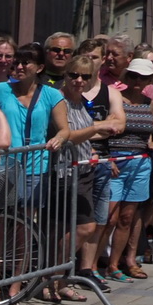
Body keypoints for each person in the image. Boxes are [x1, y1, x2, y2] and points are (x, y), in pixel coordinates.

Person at [49, 54, 125, 291]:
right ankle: (54, 277)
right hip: (62, 171)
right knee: (82, 227)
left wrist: (91, 148)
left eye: (85, 76)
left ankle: (57, 278)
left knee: (78, 227)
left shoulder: (81, 102)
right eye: (74, 75)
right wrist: (99, 126)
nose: (79, 80)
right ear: (65, 75)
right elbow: (67, 135)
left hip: (83, 168)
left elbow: (84, 134)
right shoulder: (58, 99)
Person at [105, 58, 153, 279]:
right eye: (133, 76)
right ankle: (97, 262)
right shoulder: (114, 98)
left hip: (140, 163)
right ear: (126, 77)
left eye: (143, 77)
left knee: (128, 217)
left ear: (150, 79)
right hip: (115, 162)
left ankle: (116, 264)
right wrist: (108, 158)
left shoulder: (149, 102)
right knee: (109, 217)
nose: (138, 81)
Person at [0, 44, 65, 197]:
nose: (19, 67)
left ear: (39, 68)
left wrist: (58, 139)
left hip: (36, 165)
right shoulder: (0, 90)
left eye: (25, 63)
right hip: (5, 165)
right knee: (2, 216)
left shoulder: (52, 94)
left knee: (25, 218)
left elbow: (64, 129)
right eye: (17, 63)